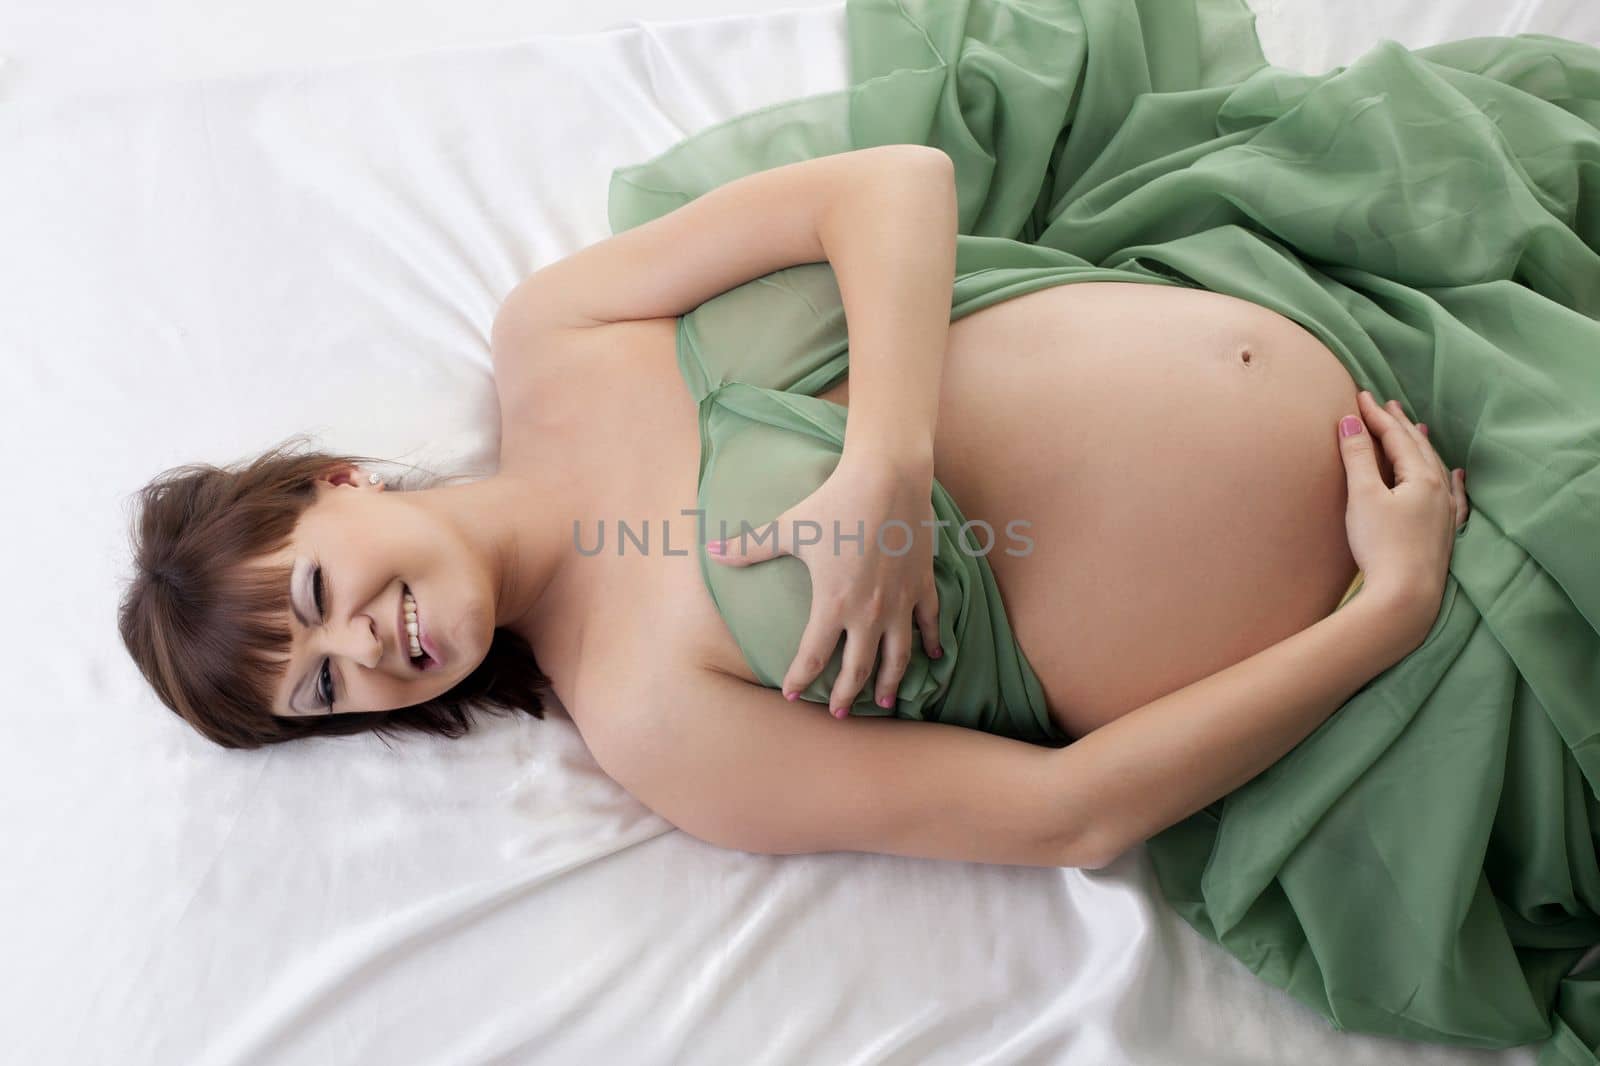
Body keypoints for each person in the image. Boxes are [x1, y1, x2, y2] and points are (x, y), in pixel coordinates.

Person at [119, 141, 1470, 874]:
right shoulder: (657, 732)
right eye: (327, 691)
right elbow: (1068, 814)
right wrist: (1390, 609)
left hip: (1331, 302)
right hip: (1399, 590)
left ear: (331, 484)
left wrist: (883, 463)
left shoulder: (559, 337)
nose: (365, 646)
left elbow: (890, 185)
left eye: (313, 597)